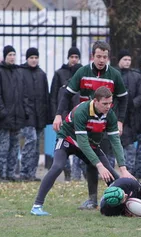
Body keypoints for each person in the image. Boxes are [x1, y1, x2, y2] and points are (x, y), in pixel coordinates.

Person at [30, 86, 134, 216]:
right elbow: (82, 142)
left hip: (90, 144)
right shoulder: (81, 111)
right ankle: (37, 206)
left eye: (110, 103)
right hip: (68, 140)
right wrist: (99, 165)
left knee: (112, 176)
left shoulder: (110, 115)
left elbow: (115, 141)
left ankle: (129, 204)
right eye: (104, 104)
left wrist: (123, 168)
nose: (108, 107)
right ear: (95, 101)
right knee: (57, 167)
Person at [53, 40, 128, 209]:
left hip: (104, 126)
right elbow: (66, 95)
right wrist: (58, 115)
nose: (102, 60)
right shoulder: (82, 72)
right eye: (99, 56)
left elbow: (124, 99)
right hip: (83, 125)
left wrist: (120, 121)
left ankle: (124, 195)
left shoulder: (115, 75)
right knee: (92, 162)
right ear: (92, 56)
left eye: (105, 57)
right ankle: (93, 200)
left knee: (105, 164)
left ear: (109, 58)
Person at [0, 45, 30, 181]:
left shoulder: (19, 73)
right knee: (3, 146)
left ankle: (11, 173)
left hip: (17, 117)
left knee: (14, 147)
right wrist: (2, 112)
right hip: (4, 118)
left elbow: (24, 93)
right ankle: (1, 173)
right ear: (5, 57)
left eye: (14, 55)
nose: (12, 57)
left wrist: (25, 111)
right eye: (9, 55)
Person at [50, 46, 81, 181]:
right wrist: (55, 115)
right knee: (63, 144)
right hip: (63, 116)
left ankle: (76, 174)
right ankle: (67, 172)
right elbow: (53, 96)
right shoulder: (59, 74)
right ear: (68, 58)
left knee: (79, 144)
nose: (74, 59)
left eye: (76, 57)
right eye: (72, 57)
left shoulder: (82, 72)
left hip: (78, 115)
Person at [19, 47, 50, 181]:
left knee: (37, 145)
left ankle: (32, 173)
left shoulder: (41, 74)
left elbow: (45, 96)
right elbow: (20, 94)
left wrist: (46, 115)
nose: (34, 60)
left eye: (36, 58)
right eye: (31, 58)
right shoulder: (21, 72)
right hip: (27, 115)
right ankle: (23, 171)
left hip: (39, 116)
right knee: (31, 140)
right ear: (27, 59)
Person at [115, 50, 141, 178]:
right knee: (112, 146)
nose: (127, 62)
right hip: (114, 115)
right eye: (124, 59)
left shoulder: (136, 76)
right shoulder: (113, 74)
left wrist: (132, 104)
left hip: (130, 118)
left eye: (129, 60)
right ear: (119, 60)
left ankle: (129, 172)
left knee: (129, 147)